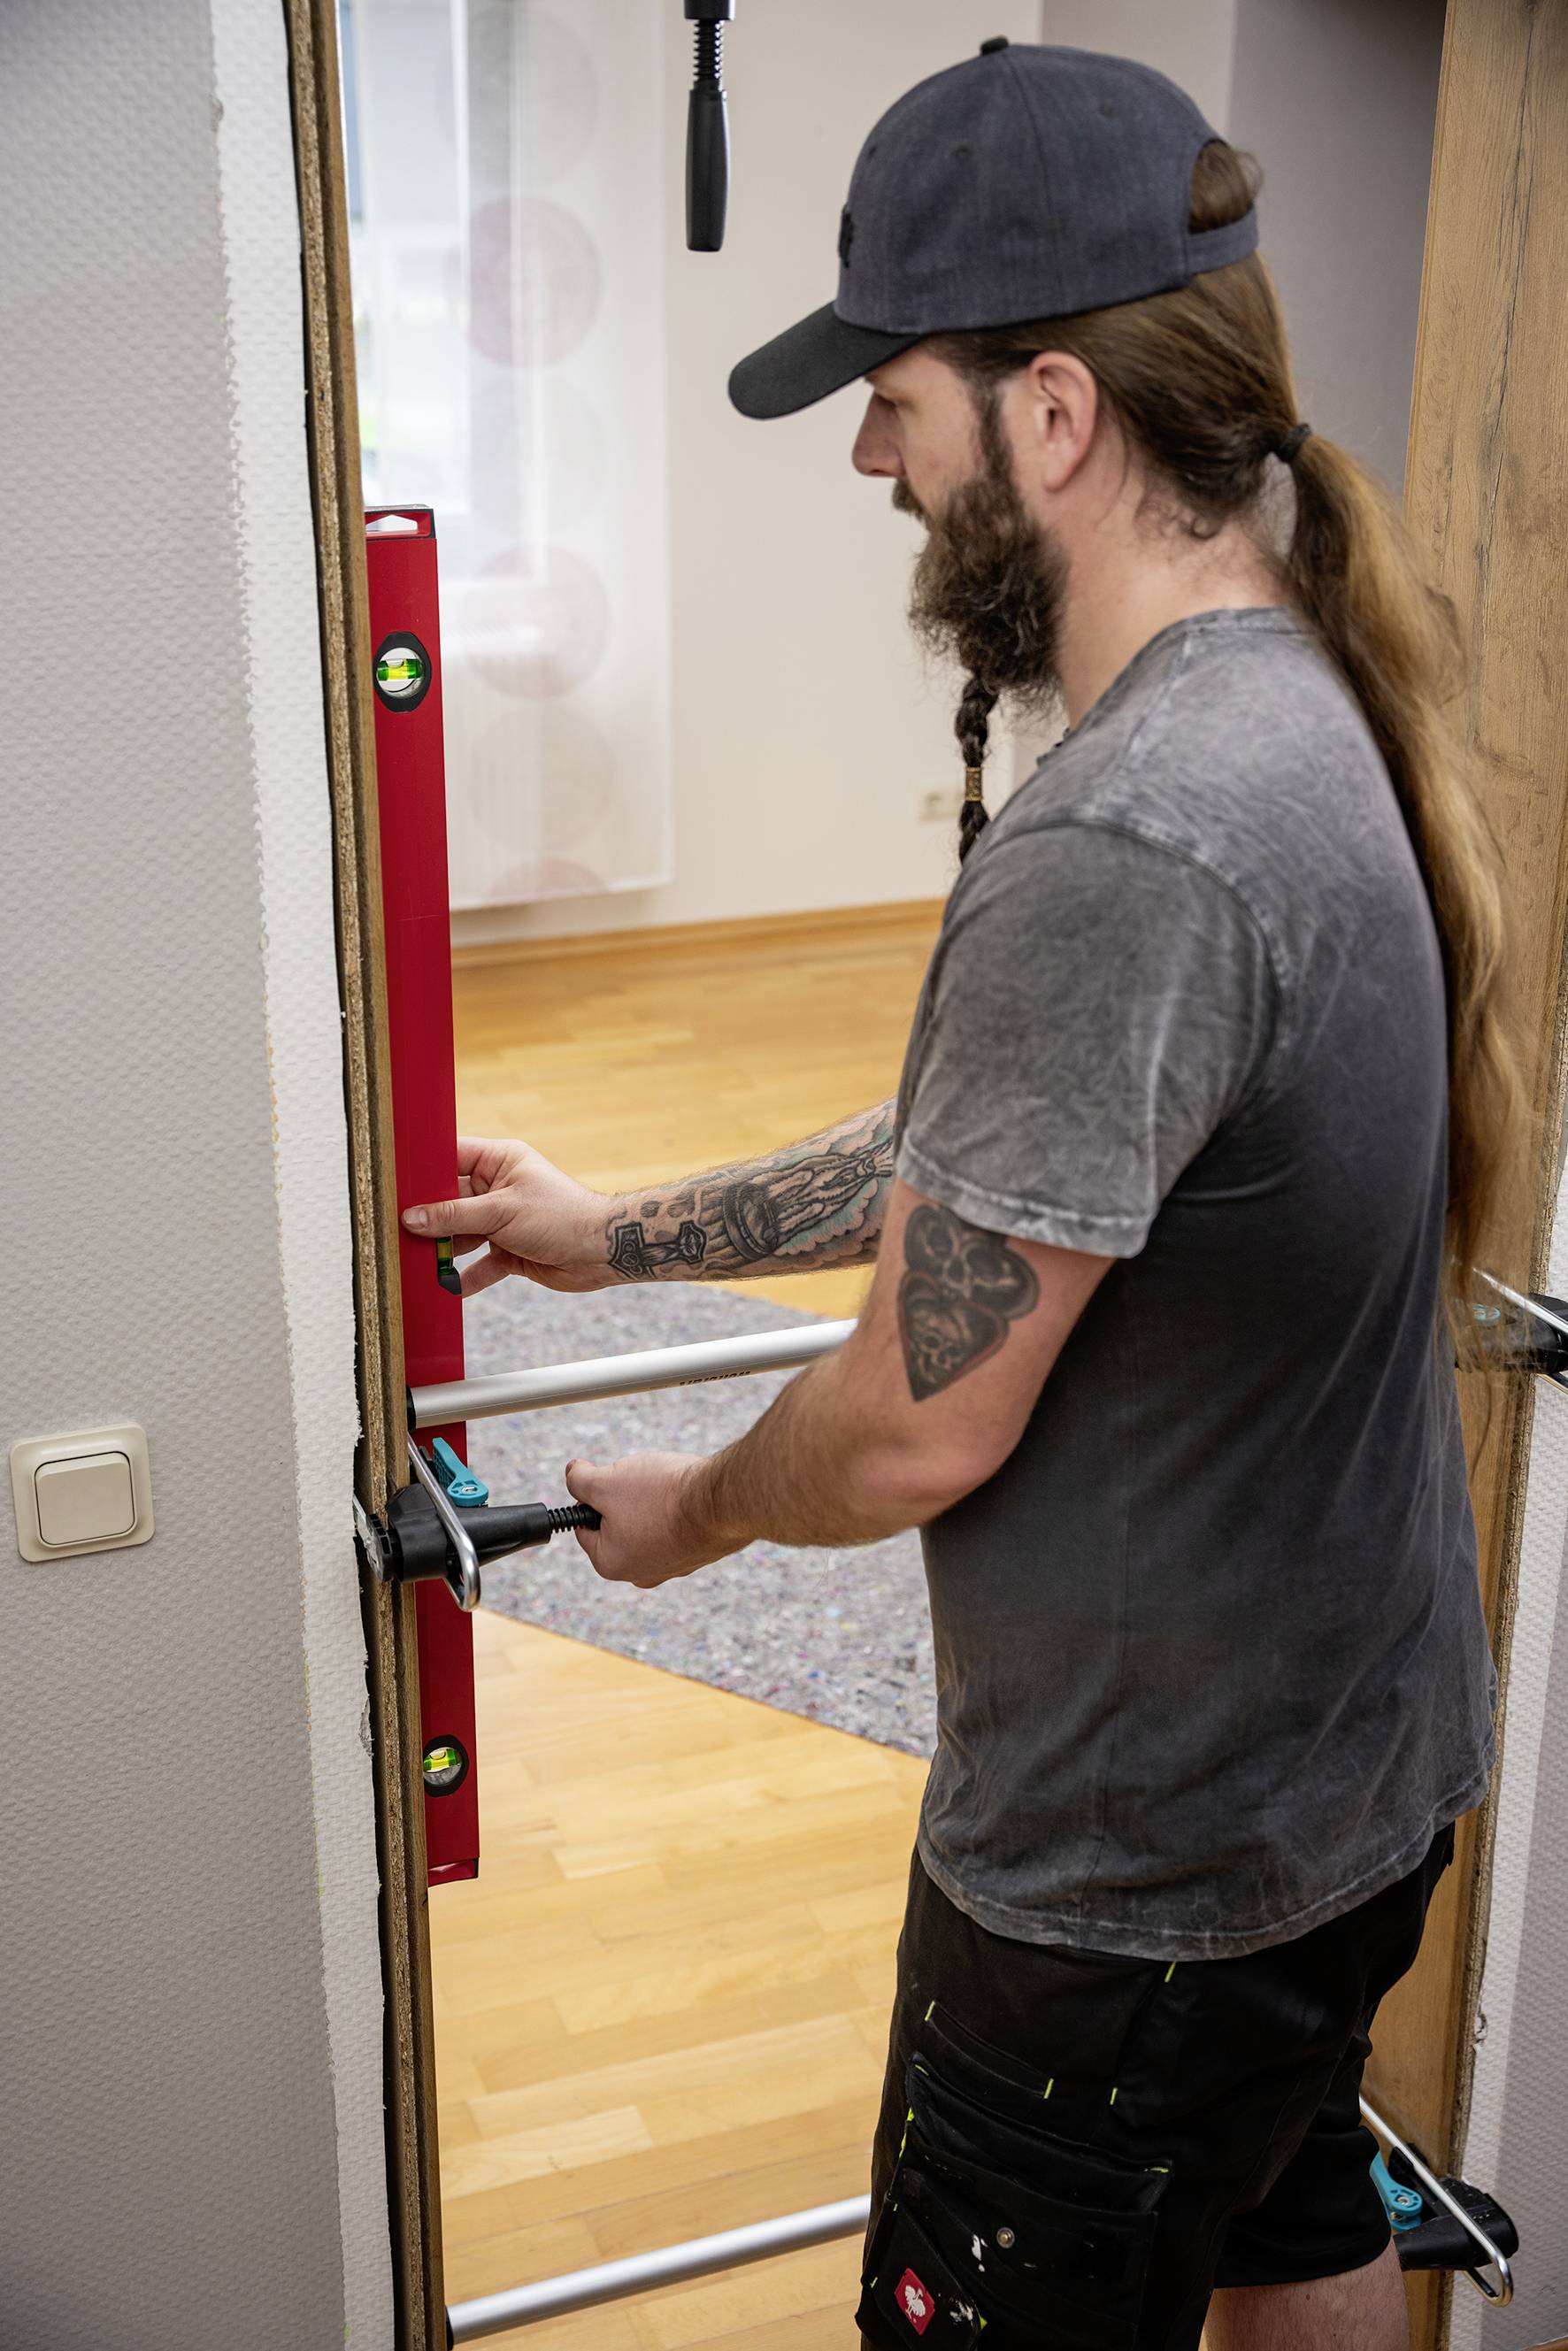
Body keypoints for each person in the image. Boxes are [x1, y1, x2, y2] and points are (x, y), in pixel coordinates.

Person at [403, 42, 1519, 2351]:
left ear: (1049, 413)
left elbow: (917, 1417)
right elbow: (1019, 1156)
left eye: (892, 396)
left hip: (1126, 1891)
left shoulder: (1123, 835)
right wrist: (622, 1234)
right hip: (1342, 1796)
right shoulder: (1297, 708)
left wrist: (689, 1509)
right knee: (1287, 2221)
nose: (867, 459)